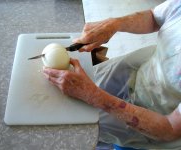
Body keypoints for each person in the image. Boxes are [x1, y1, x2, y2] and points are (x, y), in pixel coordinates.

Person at [43, 0, 181, 149]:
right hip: (148, 67)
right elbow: (155, 17)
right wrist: (115, 24)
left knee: (78, 125)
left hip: (160, 119)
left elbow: (170, 129)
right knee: (81, 94)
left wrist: (92, 95)